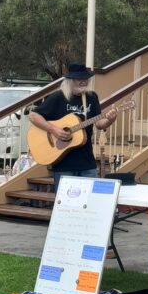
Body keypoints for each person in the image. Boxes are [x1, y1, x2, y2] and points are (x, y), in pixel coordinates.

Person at [28, 63, 118, 195]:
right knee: (66, 204)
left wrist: (111, 119)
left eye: (85, 78)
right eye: (79, 78)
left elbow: (99, 124)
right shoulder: (58, 97)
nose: (83, 81)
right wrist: (53, 130)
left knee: (89, 200)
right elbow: (33, 115)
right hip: (63, 164)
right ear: (70, 80)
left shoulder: (91, 98)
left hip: (87, 162)